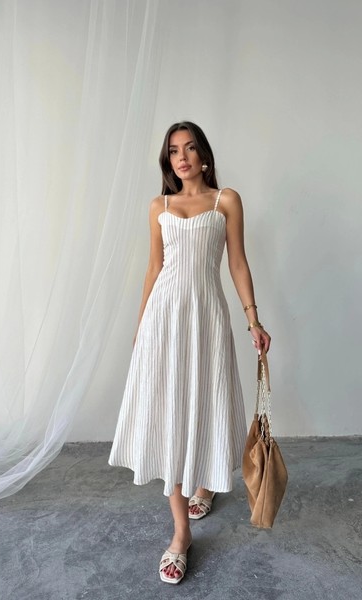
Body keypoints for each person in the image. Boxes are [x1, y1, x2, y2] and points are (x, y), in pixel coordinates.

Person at [108, 121, 271, 584]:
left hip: (207, 318)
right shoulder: (158, 206)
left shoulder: (226, 201)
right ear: (169, 160)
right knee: (170, 413)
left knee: (205, 401)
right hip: (164, 320)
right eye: (174, 150)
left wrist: (253, 320)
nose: (182, 157)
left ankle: (206, 483)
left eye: (190, 148)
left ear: (204, 156)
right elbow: (153, 268)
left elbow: (237, 262)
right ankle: (181, 534)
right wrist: (141, 327)